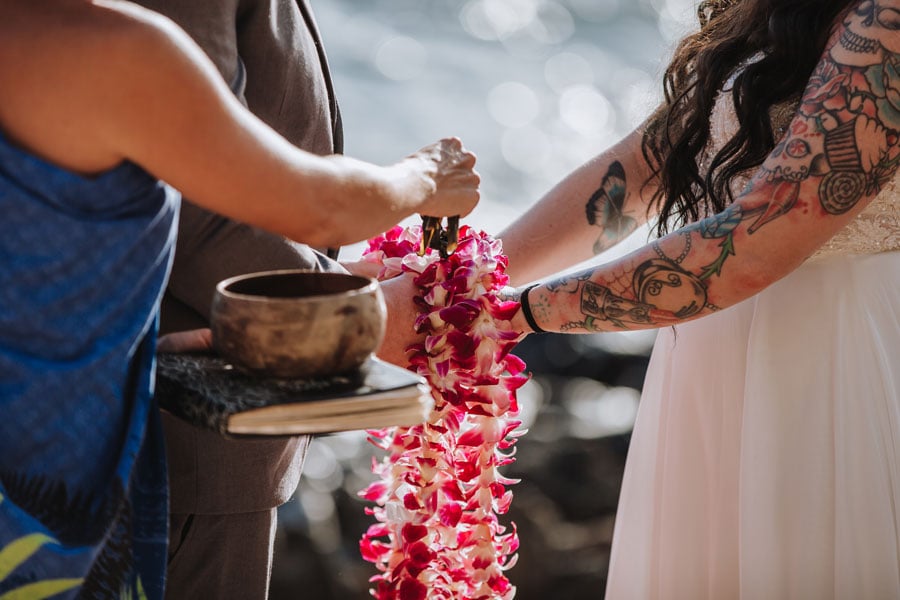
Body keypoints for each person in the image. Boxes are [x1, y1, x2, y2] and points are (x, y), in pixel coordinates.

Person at [382, 0, 898, 596]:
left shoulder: (886, 20)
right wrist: (455, 281)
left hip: (834, 358)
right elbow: (646, 165)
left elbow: (756, 243)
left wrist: (502, 314)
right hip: (714, 353)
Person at [0, 1, 479, 598]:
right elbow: (312, 201)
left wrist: (330, 274)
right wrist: (426, 176)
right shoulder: (121, 48)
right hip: (73, 460)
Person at [127, 2, 362, 597]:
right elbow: (193, 204)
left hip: (210, 440)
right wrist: (339, 309)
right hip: (185, 439)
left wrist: (335, 270)